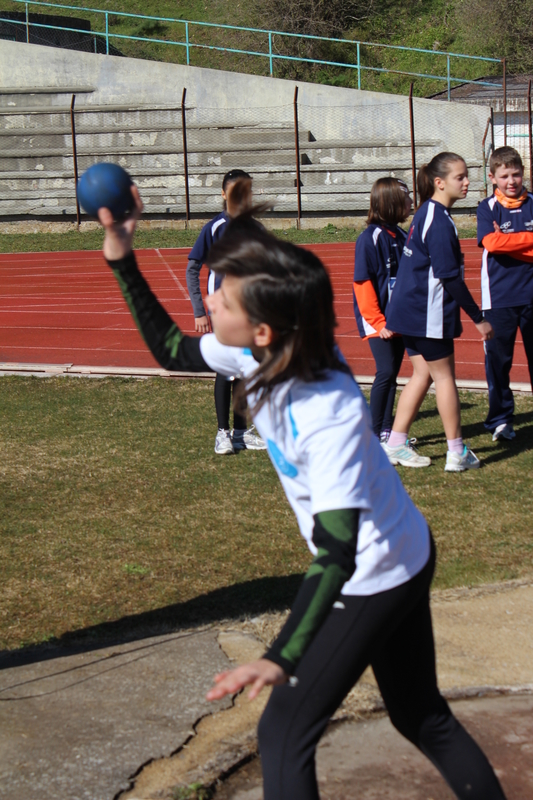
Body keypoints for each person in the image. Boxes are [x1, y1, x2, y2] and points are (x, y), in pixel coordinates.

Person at [98, 185, 506, 800]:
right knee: (421, 715)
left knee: (284, 730)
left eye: (223, 295)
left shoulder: (328, 409)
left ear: (261, 328)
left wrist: (282, 656)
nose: (209, 297)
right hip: (404, 548)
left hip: (376, 570)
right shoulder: (262, 351)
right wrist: (121, 251)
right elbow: (169, 348)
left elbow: (337, 551)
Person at [383, 152, 494, 471]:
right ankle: (456, 452)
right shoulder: (439, 221)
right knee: (444, 377)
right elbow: (449, 277)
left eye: (466, 175)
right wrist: (478, 318)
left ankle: (395, 443)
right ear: (439, 182)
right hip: (425, 312)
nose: (467, 182)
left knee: (421, 375)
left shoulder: (425, 213)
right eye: (460, 177)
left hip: (410, 311)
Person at [185, 168, 266, 455]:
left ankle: (241, 432)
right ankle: (222, 433)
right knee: (225, 370)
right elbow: (193, 268)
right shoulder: (215, 228)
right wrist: (200, 311)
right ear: (223, 194)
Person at [477, 146, 533, 441]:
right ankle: (500, 419)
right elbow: (490, 243)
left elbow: (500, 242)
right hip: (498, 298)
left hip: (531, 296)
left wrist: (506, 239)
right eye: (504, 176)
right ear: (493, 177)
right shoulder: (487, 207)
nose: (511, 181)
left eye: (516, 174)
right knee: (498, 362)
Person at [353, 178, 412, 441]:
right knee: (385, 371)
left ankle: (387, 430)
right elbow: (363, 283)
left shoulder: (400, 235)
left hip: (396, 319)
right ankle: (373, 433)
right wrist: (378, 322)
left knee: (392, 374)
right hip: (378, 321)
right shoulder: (370, 238)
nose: (411, 202)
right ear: (390, 202)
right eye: (406, 198)